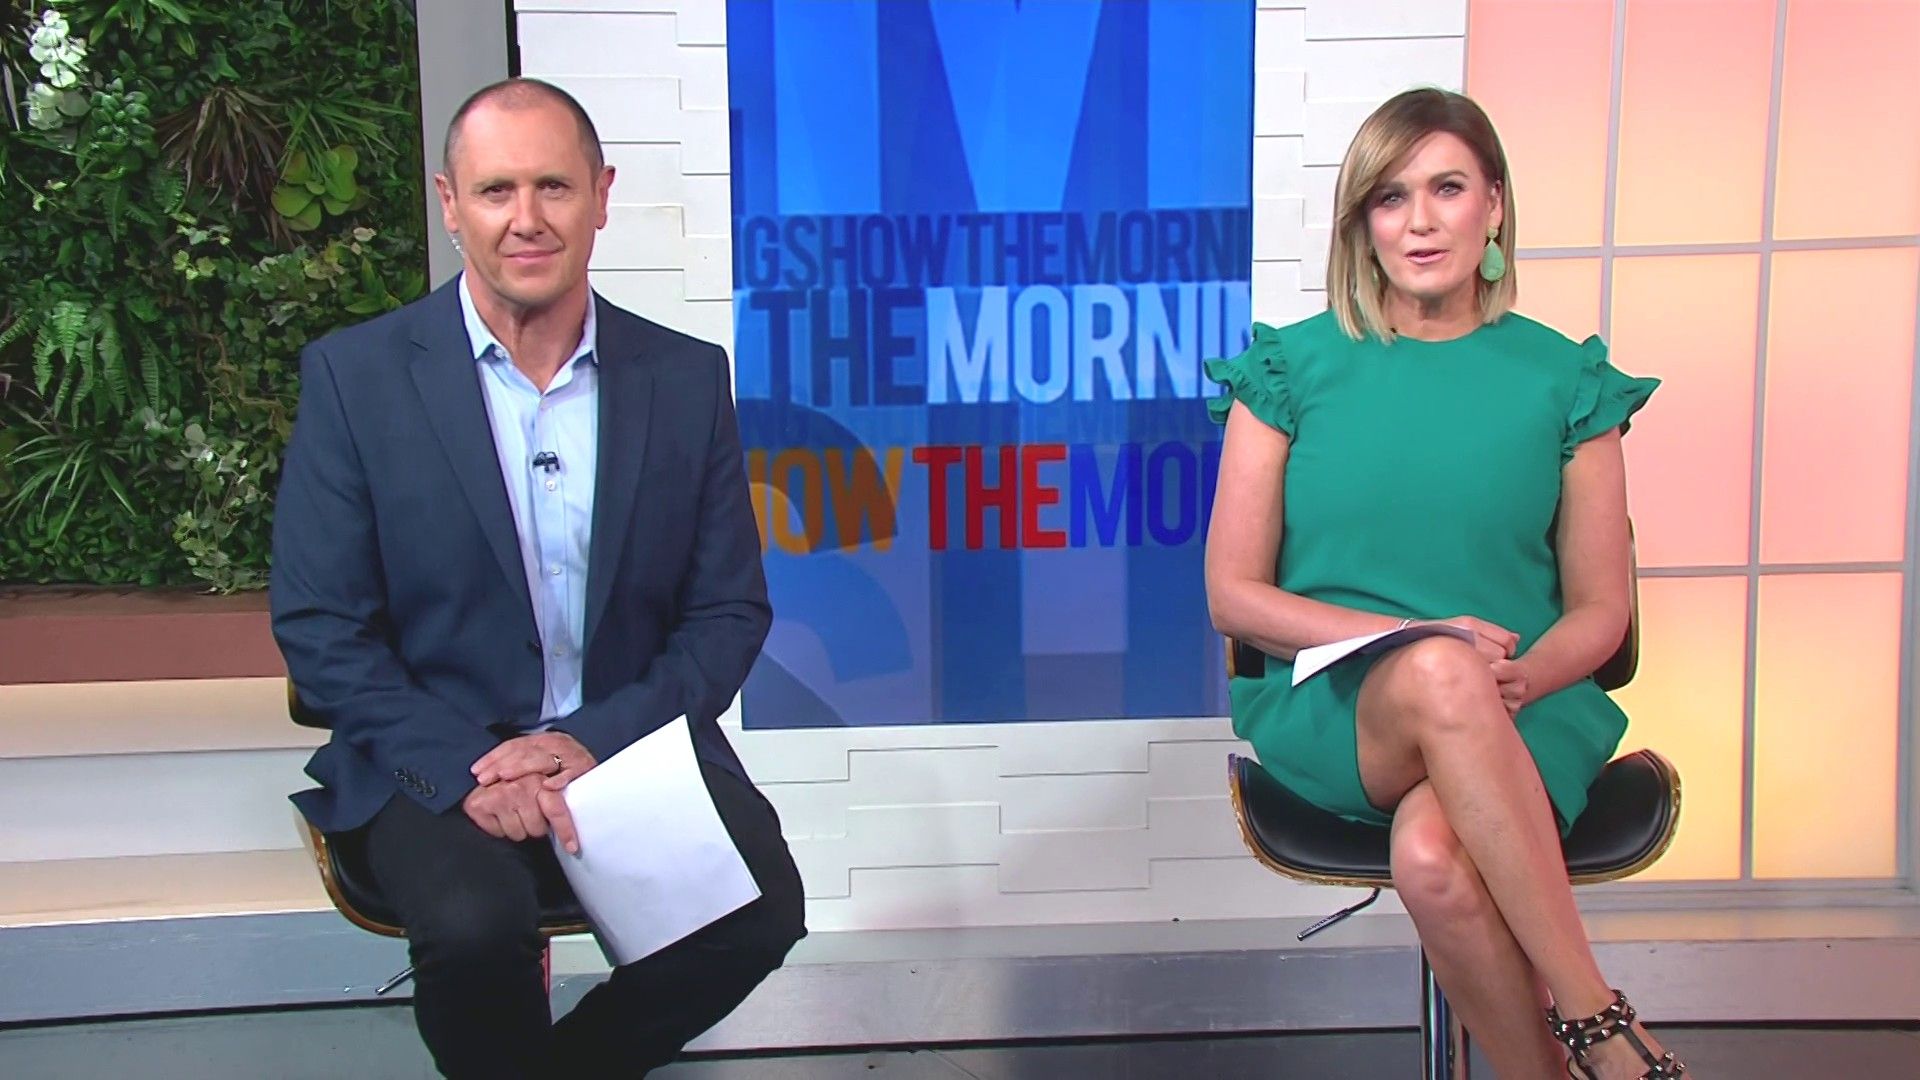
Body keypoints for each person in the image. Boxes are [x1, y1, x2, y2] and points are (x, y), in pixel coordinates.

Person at [271, 77, 805, 1078]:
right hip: (433, 758)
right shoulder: (357, 377)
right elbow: (320, 626)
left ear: (601, 196)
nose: (527, 219)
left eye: (554, 187)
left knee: (759, 910)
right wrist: (476, 767)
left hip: (620, 744)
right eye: (496, 190)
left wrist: (587, 740)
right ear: (450, 204)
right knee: (476, 928)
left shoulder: (684, 378)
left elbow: (728, 612)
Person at [1203, 88, 1684, 1079]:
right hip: (1343, 709)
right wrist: (1424, 645)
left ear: (1494, 206)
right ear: (1363, 223)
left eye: (1447, 188)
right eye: (1390, 197)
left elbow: (1602, 608)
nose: (1419, 221)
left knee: (1431, 859)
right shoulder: (1287, 372)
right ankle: (1601, 1023)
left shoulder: (1568, 382)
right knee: (1435, 668)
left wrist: (1519, 678)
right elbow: (1234, 597)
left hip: (1524, 702)